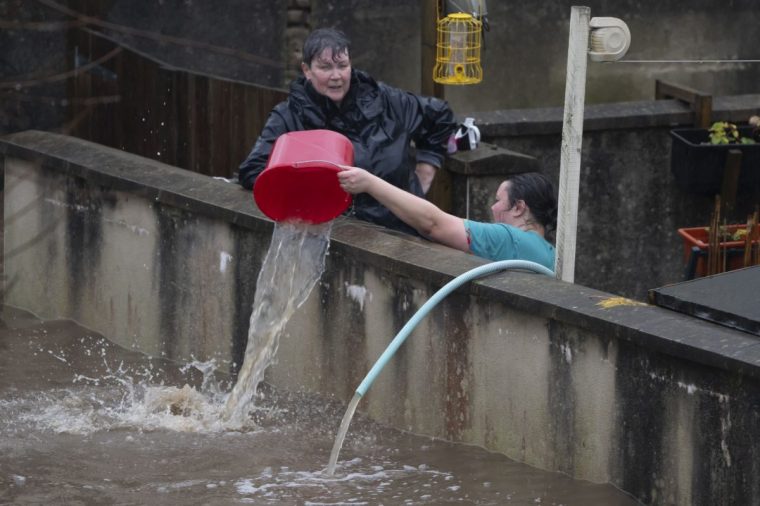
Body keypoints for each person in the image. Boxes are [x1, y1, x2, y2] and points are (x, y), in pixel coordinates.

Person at [238, 28, 456, 234]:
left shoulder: (386, 100)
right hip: (338, 237)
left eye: (342, 65)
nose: (336, 76)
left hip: (405, 231)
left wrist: (427, 166)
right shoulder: (289, 116)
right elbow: (253, 171)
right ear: (307, 70)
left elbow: (440, 115)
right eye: (325, 68)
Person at [337, 168, 557, 270]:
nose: (493, 207)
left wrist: (369, 183)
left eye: (498, 200)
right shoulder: (551, 253)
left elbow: (433, 224)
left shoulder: (509, 239)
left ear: (519, 207)